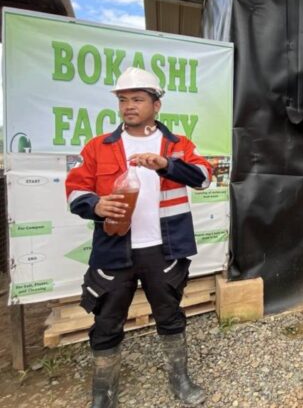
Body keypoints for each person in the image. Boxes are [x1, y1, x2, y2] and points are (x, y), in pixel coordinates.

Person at [66, 67, 212, 408]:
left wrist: (166, 164)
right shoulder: (99, 147)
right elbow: (75, 190)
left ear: (156, 105)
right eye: (123, 100)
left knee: (170, 314)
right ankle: (104, 395)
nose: (129, 106)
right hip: (114, 249)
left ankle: (181, 382)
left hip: (163, 249)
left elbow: (204, 177)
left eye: (137, 99)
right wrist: (95, 205)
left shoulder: (177, 145)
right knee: (106, 320)